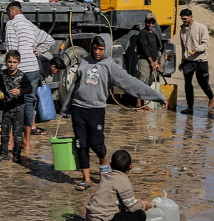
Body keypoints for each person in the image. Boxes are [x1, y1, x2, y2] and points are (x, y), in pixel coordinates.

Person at [61, 34, 165, 192]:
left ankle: (104, 162)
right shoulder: (84, 62)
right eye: (95, 48)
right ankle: (86, 179)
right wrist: (65, 108)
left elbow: (132, 83)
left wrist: (157, 97)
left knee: (96, 144)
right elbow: (74, 86)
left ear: (107, 49)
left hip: (96, 110)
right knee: (81, 145)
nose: (97, 52)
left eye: (101, 49)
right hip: (78, 108)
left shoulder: (110, 66)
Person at [4, 1, 54, 152]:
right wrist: (37, 51)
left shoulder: (11, 24)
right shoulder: (30, 25)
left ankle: (11, 142)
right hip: (33, 68)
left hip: (20, 69)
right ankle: (26, 141)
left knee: (11, 103)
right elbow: (49, 40)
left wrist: (8, 67)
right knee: (29, 103)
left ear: (11, 12)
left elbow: (11, 49)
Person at [86, 149, 152, 221]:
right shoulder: (123, 180)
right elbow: (131, 208)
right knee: (140, 215)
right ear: (131, 166)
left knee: (126, 209)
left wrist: (137, 201)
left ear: (111, 165)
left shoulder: (107, 177)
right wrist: (145, 205)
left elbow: (119, 199)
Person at [0, 50, 33, 163]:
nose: (11, 64)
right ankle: (4, 153)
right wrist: (0, 92)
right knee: (4, 132)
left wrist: (20, 91)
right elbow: (0, 86)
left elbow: (29, 88)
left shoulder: (22, 76)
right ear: (6, 62)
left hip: (18, 106)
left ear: (18, 63)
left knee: (17, 133)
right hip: (6, 106)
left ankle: (17, 154)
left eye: (14, 62)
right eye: (9, 62)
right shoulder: (2, 74)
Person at [178, 8, 214, 114]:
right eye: (182, 19)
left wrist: (196, 49)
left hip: (201, 60)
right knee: (187, 83)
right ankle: (190, 106)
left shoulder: (201, 27)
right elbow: (183, 47)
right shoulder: (182, 30)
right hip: (188, 61)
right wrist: (182, 60)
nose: (184, 21)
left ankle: (211, 97)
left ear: (191, 17)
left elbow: (206, 44)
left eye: (185, 19)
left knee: (203, 83)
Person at [134, 15, 162, 110]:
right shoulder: (142, 33)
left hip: (153, 61)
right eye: (149, 22)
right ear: (145, 22)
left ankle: (144, 104)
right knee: (141, 81)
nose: (150, 24)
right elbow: (144, 48)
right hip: (144, 60)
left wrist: (156, 62)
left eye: (152, 23)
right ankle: (138, 104)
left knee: (148, 83)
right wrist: (151, 61)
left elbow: (156, 49)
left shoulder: (153, 34)